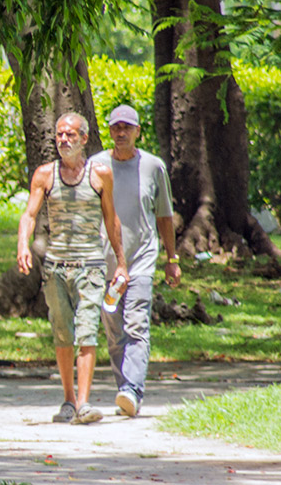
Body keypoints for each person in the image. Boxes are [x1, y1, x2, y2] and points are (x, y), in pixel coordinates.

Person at [17, 113, 128, 425]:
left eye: (70, 135)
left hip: (90, 266)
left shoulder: (100, 174)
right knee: (62, 332)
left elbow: (112, 219)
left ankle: (83, 403)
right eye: (59, 135)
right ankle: (67, 400)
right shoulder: (45, 175)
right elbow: (29, 214)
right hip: (55, 268)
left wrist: (120, 263)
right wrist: (23, 246)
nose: (63, 140)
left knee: (88, 331)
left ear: (84, 139)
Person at [91, 104, 181, 418]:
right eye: (116, 127)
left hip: (141, 258)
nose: (121, 133)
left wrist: (172, 258)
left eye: (127, 127)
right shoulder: (96, 165)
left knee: (136, 323)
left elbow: (165, 216)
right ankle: (125, 389)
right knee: (114, 330)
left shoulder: (153, 167)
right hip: (105, 263)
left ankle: (132, 389)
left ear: (137, 132)